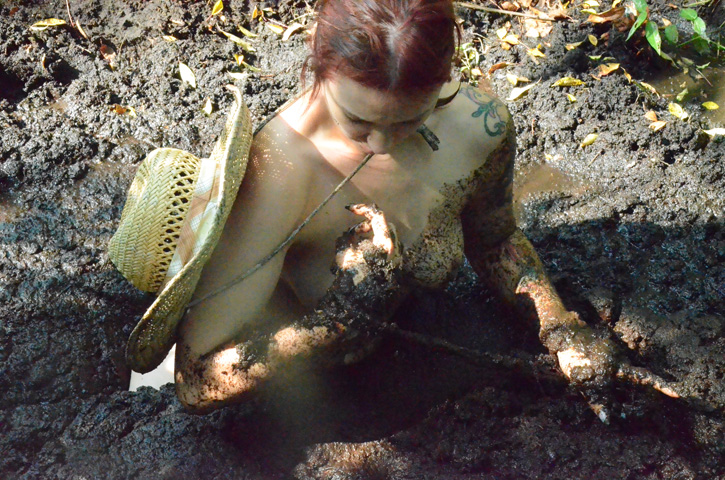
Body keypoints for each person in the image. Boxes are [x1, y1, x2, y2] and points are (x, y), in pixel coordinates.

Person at [167, 0, 617, 416]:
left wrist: (560, 328)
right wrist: (327, 328)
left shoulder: (481, 126)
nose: (381, 144)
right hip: (315, 401)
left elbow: (495, 241)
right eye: (358, 120)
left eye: (410, 119)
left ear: (445, 75)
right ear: (318, 59)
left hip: (424, 364)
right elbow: (194, 379)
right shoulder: (277, 173)